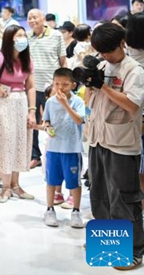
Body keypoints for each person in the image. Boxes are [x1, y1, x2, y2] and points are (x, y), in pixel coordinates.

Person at [84, 22, 144, 271]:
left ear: (122, 43)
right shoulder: (101, 64)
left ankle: (134, 251)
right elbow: (90, 100)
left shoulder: (135, 71)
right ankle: (108, 245)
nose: (105, 56)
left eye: (108, 51)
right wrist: (91, 83)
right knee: (99, 194)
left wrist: (103, 86)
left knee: (124, 198)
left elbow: (132, 105)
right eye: (100, 51)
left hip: (122, 143)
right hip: (98, 138)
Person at [0, 25, 37, 202]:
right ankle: (4, 187)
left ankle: (16, 185)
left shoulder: (27, 59)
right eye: (18, 35)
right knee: (5, 142)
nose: (22, 39)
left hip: (21, 103)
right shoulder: (1, 57)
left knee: (20, 141)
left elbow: (31, 86)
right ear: (9, 38)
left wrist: (32, 111)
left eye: (23, 35)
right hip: (3, 103)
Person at [38, 68, 86, 228]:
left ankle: (76, 212)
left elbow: (79, 120)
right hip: (53, 149)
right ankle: (50, 209)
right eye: (56, 84)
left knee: (74, 182)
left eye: (65, 84)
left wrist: (65, 104)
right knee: (51, 181)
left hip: (72, 149)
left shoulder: (78, 101)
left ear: (73, 85)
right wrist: (47, 128)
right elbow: (46, 121)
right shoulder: (50, 102)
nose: (60, 88)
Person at [26, 9, 66, 168]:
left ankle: (60, 151)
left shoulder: (56, 35)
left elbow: (63, 61)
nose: (32, 20)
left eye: (35, 17)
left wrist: (62, 85)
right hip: (32, 86)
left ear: (43, 18)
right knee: (32, 121)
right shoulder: (26, 37)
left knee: (55, 120)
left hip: (52, 87)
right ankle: (34, 155)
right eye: (29, 18)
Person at [125, 14, 144, 235]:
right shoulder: (134, 58)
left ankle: (143, 217)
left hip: (138, 125)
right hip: (136, 124)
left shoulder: (136, 62)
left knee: (141, 175)